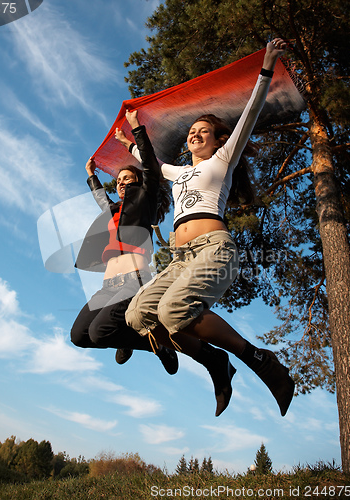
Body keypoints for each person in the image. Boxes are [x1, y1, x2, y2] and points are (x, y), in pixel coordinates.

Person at [122, 39, 295, 416]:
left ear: (217, 139)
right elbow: (151, 163)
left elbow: (249, 115)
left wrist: (266, 67)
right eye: (192, 132)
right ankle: (216, 363)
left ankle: (259, 360)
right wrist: (131, 138)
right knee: (137, 316)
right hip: (180, 259)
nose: (195, 134)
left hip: (214, 248)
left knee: (171, 313)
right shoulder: (180, 171)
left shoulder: (221, 161)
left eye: (204, 131)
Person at [70, 110, 178, 375]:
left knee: (99, 332)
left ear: (139, 181)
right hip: (108, 285)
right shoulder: (116, 212)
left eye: (126, 178)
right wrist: (92, 176)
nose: (120, 183)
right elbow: (102, 201)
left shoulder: (145, 201)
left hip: (134, 280)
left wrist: (135, 129)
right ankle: (126, 335)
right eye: (118, 180)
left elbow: (152, 167)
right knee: (80, 336)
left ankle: (160, 346)